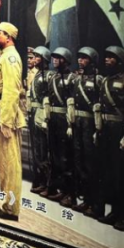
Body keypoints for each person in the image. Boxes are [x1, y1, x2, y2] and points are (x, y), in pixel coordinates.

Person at [0, 23, 25, 222]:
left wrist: (7, 121)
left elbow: (11, 91)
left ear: (8, 37)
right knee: (4, 165)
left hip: (4, 118)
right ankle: (7, 204)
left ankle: (11, 208)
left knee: (10, 165)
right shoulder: (4, 57)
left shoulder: (11, 58)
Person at [96, 46, 124, 231]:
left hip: (119, 130)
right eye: (106, 57)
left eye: (111, 57)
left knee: (122, 175)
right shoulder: (105, 81)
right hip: (106, 131)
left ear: (119, 61)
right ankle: (115, 212)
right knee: (109, 173)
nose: (107, 60)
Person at [71, 46, 102, 217]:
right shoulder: (78, 79)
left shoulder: (98, 80)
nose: (80, 60)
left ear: (92, 60)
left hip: (90, 123)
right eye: (79, 57)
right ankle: (86, 200)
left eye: (84, 58)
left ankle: (95, 203)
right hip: (79, 122)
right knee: (80, 160)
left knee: (91, 163)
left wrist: (98, 128)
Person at [45, 47, 76, 207]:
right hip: (53, 119)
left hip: (65, 119)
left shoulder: (72, 78)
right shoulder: (52, 77)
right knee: (54, 155)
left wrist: (70, 124)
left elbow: (72, 102)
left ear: (66, 60)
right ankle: (57, 188)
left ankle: (69, 193)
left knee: (66, 157)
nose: (55, 60)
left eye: (58, 57)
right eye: (54, 57)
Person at [26, 46, 52, 197]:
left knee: (44, 150)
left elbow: (48, 98)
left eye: (37, 57)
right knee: (37, 150)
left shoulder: (49, 75)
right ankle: (40, 180)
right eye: (34, 56)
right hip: (34, 113)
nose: (34, 59)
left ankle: (47, 183)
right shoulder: (36, 74)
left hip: (42, 114)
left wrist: (44, 117)